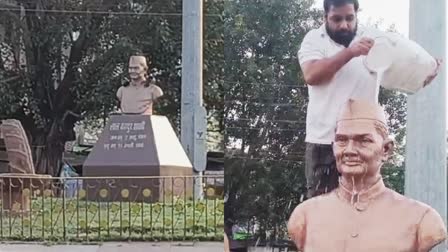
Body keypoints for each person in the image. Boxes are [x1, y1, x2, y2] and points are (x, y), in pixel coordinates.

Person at [299, 0, 440, 198]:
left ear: (357, 14)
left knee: (364, 207)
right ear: (325, 17)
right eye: (336, 19)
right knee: (321, 209)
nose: (344, 25)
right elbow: (312, 75)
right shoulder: (314, 39)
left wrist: (424, 72)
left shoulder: (375, 38)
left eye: (349, 18)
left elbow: (402, 73)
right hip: (324, 142)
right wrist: (350, 52)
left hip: (364, 143)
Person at [287, 99, 447, 251]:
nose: (349, 150)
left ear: (386, 150)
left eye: (363, 140)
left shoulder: (423, 220)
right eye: (342, 140)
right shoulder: (305, 216)